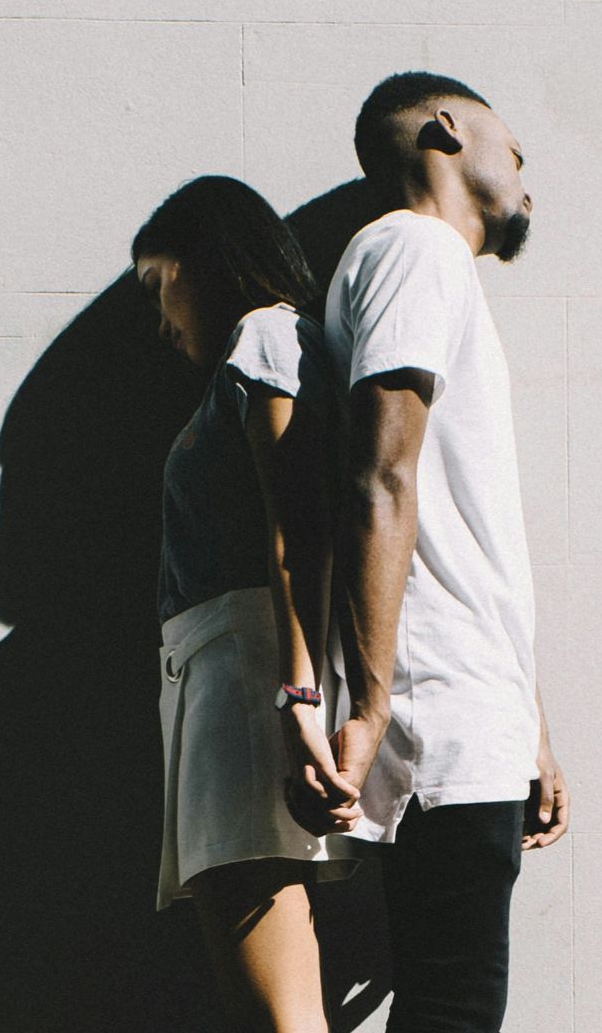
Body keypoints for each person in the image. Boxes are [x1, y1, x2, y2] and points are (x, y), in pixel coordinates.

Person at [312, 71, 572, 1032]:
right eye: (516, 150)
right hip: (436, 704)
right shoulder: (415, 249)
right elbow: (380, 479)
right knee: (453, 1010)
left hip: (472, 708)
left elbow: (468, 528)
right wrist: (375, 705)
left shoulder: (435, 270)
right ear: (445, 129)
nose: (527, 180)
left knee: (449, 1002)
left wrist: (529, 727)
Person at [133, 174, 366, 1033]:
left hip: (242, 679)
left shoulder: (266, 338)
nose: (162, 317)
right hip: (222, 680)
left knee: (280, 1018)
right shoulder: (257, 352)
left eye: (162, 286)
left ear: (207, 260)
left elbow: (299, 528)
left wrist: (295, 698)